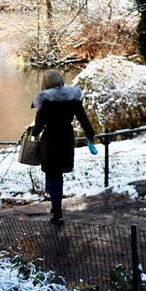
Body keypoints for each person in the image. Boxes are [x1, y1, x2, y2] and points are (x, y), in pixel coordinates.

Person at [31, 70, 95, 225]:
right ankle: (56, 206)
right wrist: (90, 135)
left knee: (52, 175)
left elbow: (38, 127)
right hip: (66, 140)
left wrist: (33, 132)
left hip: (50, 142)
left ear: (45, 83)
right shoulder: (73, 98)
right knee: (57, 174)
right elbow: (83, 120)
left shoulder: (44, 101)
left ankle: (57, 212)